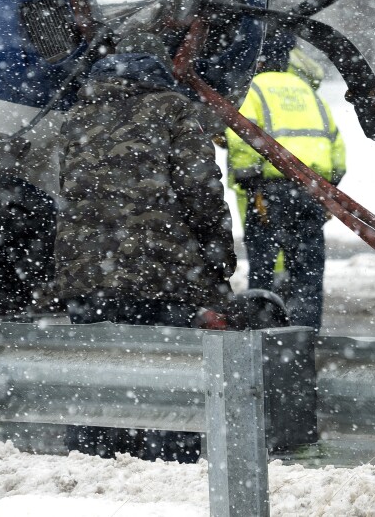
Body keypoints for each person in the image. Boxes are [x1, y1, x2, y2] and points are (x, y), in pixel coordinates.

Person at [54, 51, 236, 463]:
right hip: (162, 272)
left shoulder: (75, 117)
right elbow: (200, 191)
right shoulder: (172, 109)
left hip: (85, 276)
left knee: (96, 378)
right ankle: (169, 476)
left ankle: (91, 472)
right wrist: (217, 260)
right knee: (170, 383)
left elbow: (72, 195)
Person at [226, 30, 345, 330]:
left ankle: (263, 334)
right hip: (313, 191)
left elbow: (241, 138)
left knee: (264, 269)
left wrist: (247, 178)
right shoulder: (307, 92)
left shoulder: (253, 88)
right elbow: (337, 149)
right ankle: (306, 336)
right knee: (308, 273)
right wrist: (328, 185)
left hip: (270, 193)